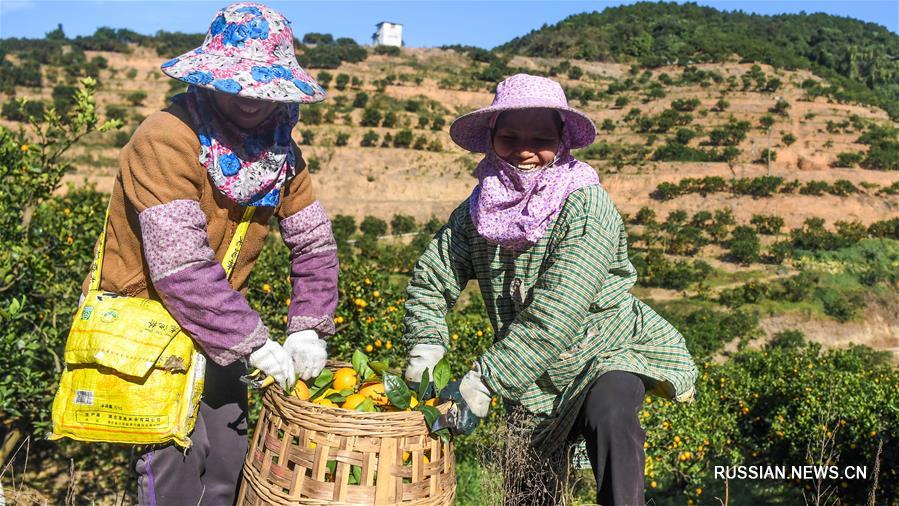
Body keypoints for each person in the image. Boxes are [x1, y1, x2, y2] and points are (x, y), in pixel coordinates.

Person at [81, 3, 338, 504]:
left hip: (222, 327)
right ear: (210, 76)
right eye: (235, 82)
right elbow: (180, 266)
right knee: (173, 470)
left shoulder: (280, 151)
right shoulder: (165, 139)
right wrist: (252, 341)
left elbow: (314, 242)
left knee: (227, 468)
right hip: (152, 332)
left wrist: (310, 324)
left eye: (261, 85)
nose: (248, 99)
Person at [402, 74, 698, 505]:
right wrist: (425, 345)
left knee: (611, 412)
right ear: (491, 140)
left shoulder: (586, 205)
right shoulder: (478, 210)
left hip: (604, 348)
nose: (524, 150)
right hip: (531, 376)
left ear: (562, 141)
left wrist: (484, 381)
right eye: (509, 138)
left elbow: (559, 310)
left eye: (540, 138)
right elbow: (433, 278)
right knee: (528, 491)